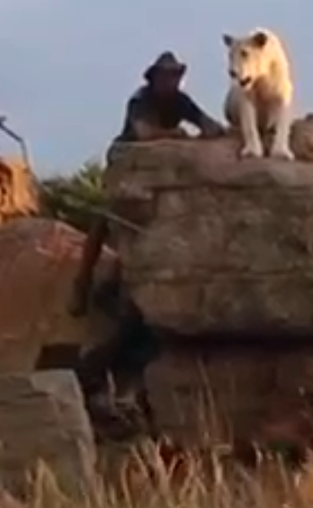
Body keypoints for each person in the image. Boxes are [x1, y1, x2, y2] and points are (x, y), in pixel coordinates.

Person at [68, 52, 227, 316]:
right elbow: (143, 134)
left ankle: (116, 284)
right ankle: (81, 284)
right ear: (154, 78)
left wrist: (218, 133)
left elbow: (208, 124)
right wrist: (176, 135)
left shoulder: (180, 101)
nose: (171, 81)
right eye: (166, 76)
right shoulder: (140, 100)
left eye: (175, 76)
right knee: (105, 217)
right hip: (126, 161)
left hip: (160, 171)